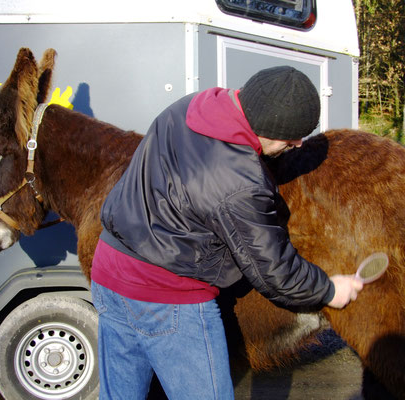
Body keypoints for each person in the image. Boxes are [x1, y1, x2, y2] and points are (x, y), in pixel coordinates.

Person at [91, 66, 363, 399]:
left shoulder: (192, 105)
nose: (297, 143)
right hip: (168, 297)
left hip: (108, 273)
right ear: (266, 125)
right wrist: (329, 289)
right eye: (290, 136)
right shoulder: (240, 180)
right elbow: (276, 272)